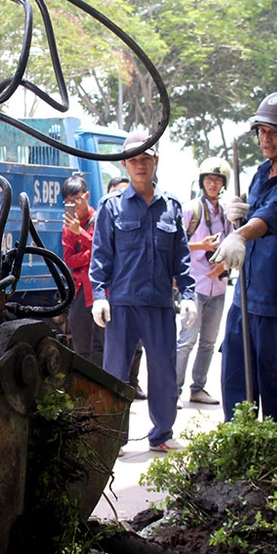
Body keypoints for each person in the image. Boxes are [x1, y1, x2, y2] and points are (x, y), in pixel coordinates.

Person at [211, 91, 277, 422]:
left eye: (275, 131)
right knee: (236, 389)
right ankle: (236, 459)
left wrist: (240, 233)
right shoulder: (261, 172)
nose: (265, 138)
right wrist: (238, 208)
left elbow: (272, 217)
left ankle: (276, 466)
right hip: (245, 299)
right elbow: (255, 210)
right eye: (261, 130)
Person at [90, 132, 196, 452]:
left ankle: (161, 434)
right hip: (122, 304)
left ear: (155, 161)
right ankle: (112, 436)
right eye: (134, 160)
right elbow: (101, 255)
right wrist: (99, 295)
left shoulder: (171, 207)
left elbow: (182, 257)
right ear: (124, 164)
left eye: (145, 159)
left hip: (160, 304)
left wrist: (189, 295)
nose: (140, 165)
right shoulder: (111, 207)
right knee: (115, 375)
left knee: (163, 372)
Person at [175, 157, 232, 406]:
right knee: (186, 340)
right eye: (209, 179)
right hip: (194, 285)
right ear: (202, 181)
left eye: (218, 180)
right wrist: (201, 246)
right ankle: (173, 390)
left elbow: (233, 245)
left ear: (223, 184)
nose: (213, 184)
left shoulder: (228, 215)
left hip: (218, 285)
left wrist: (224, 264)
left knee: (209, 341)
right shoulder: (190, 210)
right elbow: (175, 245)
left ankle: (198, 387)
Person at [107, 176, 147, 399]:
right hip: (115, 295)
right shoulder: (105, 218)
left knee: (137, 346)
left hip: (138, 293)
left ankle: (133, 383)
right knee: (114, 349)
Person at [61, 174, 104, 366]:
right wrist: (89, 253)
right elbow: (70, 260)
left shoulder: (100, 219)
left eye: (76, 199)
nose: (73, 204)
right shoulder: (68, 226)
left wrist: (82, 234)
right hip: (79, 290)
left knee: (101, 345)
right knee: (80, 345)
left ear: (87, 196)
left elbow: (103, 251)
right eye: (69, 201)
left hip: (99, 289)